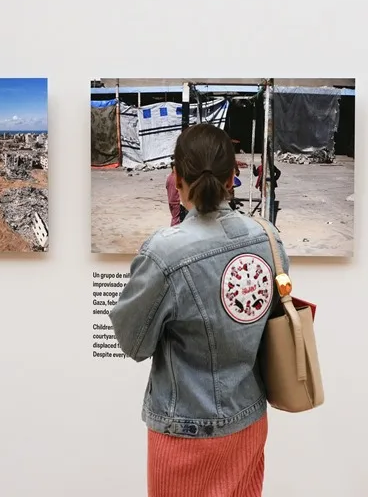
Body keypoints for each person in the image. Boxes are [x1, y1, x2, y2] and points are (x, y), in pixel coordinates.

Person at [111, 123, 287, 497]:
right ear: (233, 176)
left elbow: (134, 343)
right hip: (249, 421)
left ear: (176, 176)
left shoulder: (165, 252)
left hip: (185, 433)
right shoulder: (268, 238)